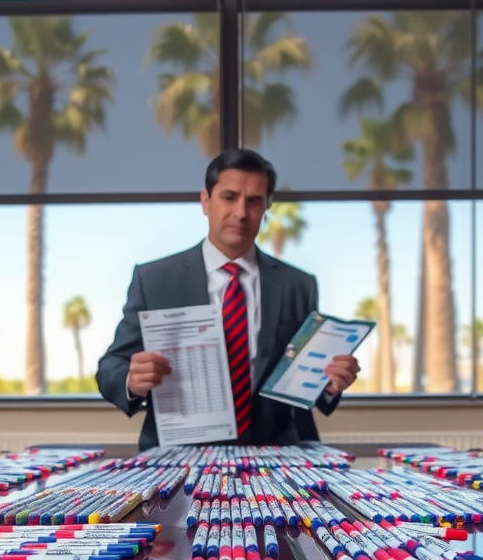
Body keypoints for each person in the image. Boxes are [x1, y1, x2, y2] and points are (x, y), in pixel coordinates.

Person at [96, 149, 361, 450]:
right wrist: (131, 380)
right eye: (229, 197)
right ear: (205, 201)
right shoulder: (154, 280)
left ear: (266, 207)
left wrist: (329, 383)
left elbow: (306, 380)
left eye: (254, 201)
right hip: (178, 457)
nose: (241, 212)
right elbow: (110, 368)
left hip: (273, 457)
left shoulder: (298, 285)